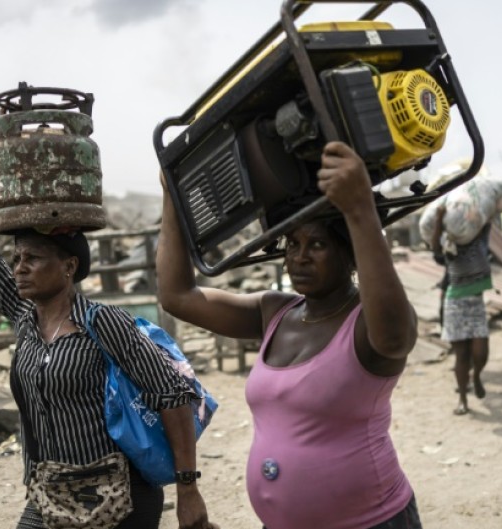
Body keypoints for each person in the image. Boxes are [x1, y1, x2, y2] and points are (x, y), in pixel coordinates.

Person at [0, 123, 215, 529]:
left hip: (118, 498)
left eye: (32, 259)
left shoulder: (102, 322)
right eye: (17, 258)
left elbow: (172, 395)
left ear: (69, 267)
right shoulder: (24, 319)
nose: (19, 268)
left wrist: (188, 490)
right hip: (48, 494)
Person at [157, 141, 422, 528]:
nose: (300, 256)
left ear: (350, 254)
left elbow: (398, 338)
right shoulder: (274, 312)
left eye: (317, 244)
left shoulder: (367, 324)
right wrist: (171, 196)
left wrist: (360, 210)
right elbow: (178, 296)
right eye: (293, 243)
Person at [431, 209, 492, 415]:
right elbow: (435, 248)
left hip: (476, 302)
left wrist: (478, 214)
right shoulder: (449, 244)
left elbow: (487, 218)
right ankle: (462, 399)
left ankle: (476, 376)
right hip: (455, 303)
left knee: (481, 352)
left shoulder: (479, 241)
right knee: (462, 355)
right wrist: (439, 219)